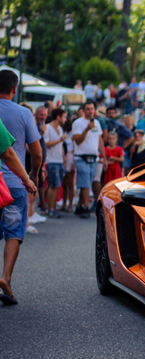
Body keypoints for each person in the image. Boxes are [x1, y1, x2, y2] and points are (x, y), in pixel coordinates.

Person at [0, 70, 41, 305]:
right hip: (14, 184)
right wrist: (32, 176)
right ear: (15, 89)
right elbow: (35, 153)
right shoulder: (24, 113)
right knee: (14, 232)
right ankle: (5, 278)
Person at [72, 100, 107, 218]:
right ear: (83, 110)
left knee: (87, 183)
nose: (90, 111)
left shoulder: (97, 122)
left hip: (94, 158)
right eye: (88, 109)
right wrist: (87, 129)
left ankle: (79, 206)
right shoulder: (78, 123)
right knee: (86, 184)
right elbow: (77, 140)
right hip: (81, 157)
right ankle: (86, 207)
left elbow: (100, 141)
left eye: (92, 108)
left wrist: (104, 157)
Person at [42, 108, 67, 219]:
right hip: (51, 161)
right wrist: (60, 140)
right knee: (53, 186)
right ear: (58, 116)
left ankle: (53, 208)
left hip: (59, 161)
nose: (65, 119)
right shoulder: (47, 128)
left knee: (56, 186)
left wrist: (64, 160)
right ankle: (50, 209)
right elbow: (46, 144)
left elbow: (60, 147)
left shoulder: (60, 129)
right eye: (64, 117)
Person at [61, 118, 76, 213]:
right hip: (64, 157)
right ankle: (64, 204)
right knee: (64, 183)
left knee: (70, 183)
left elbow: (75, 149)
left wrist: (74, 163)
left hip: (70, 156)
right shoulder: (63, 133)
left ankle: (70, 204)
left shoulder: (73, 135)